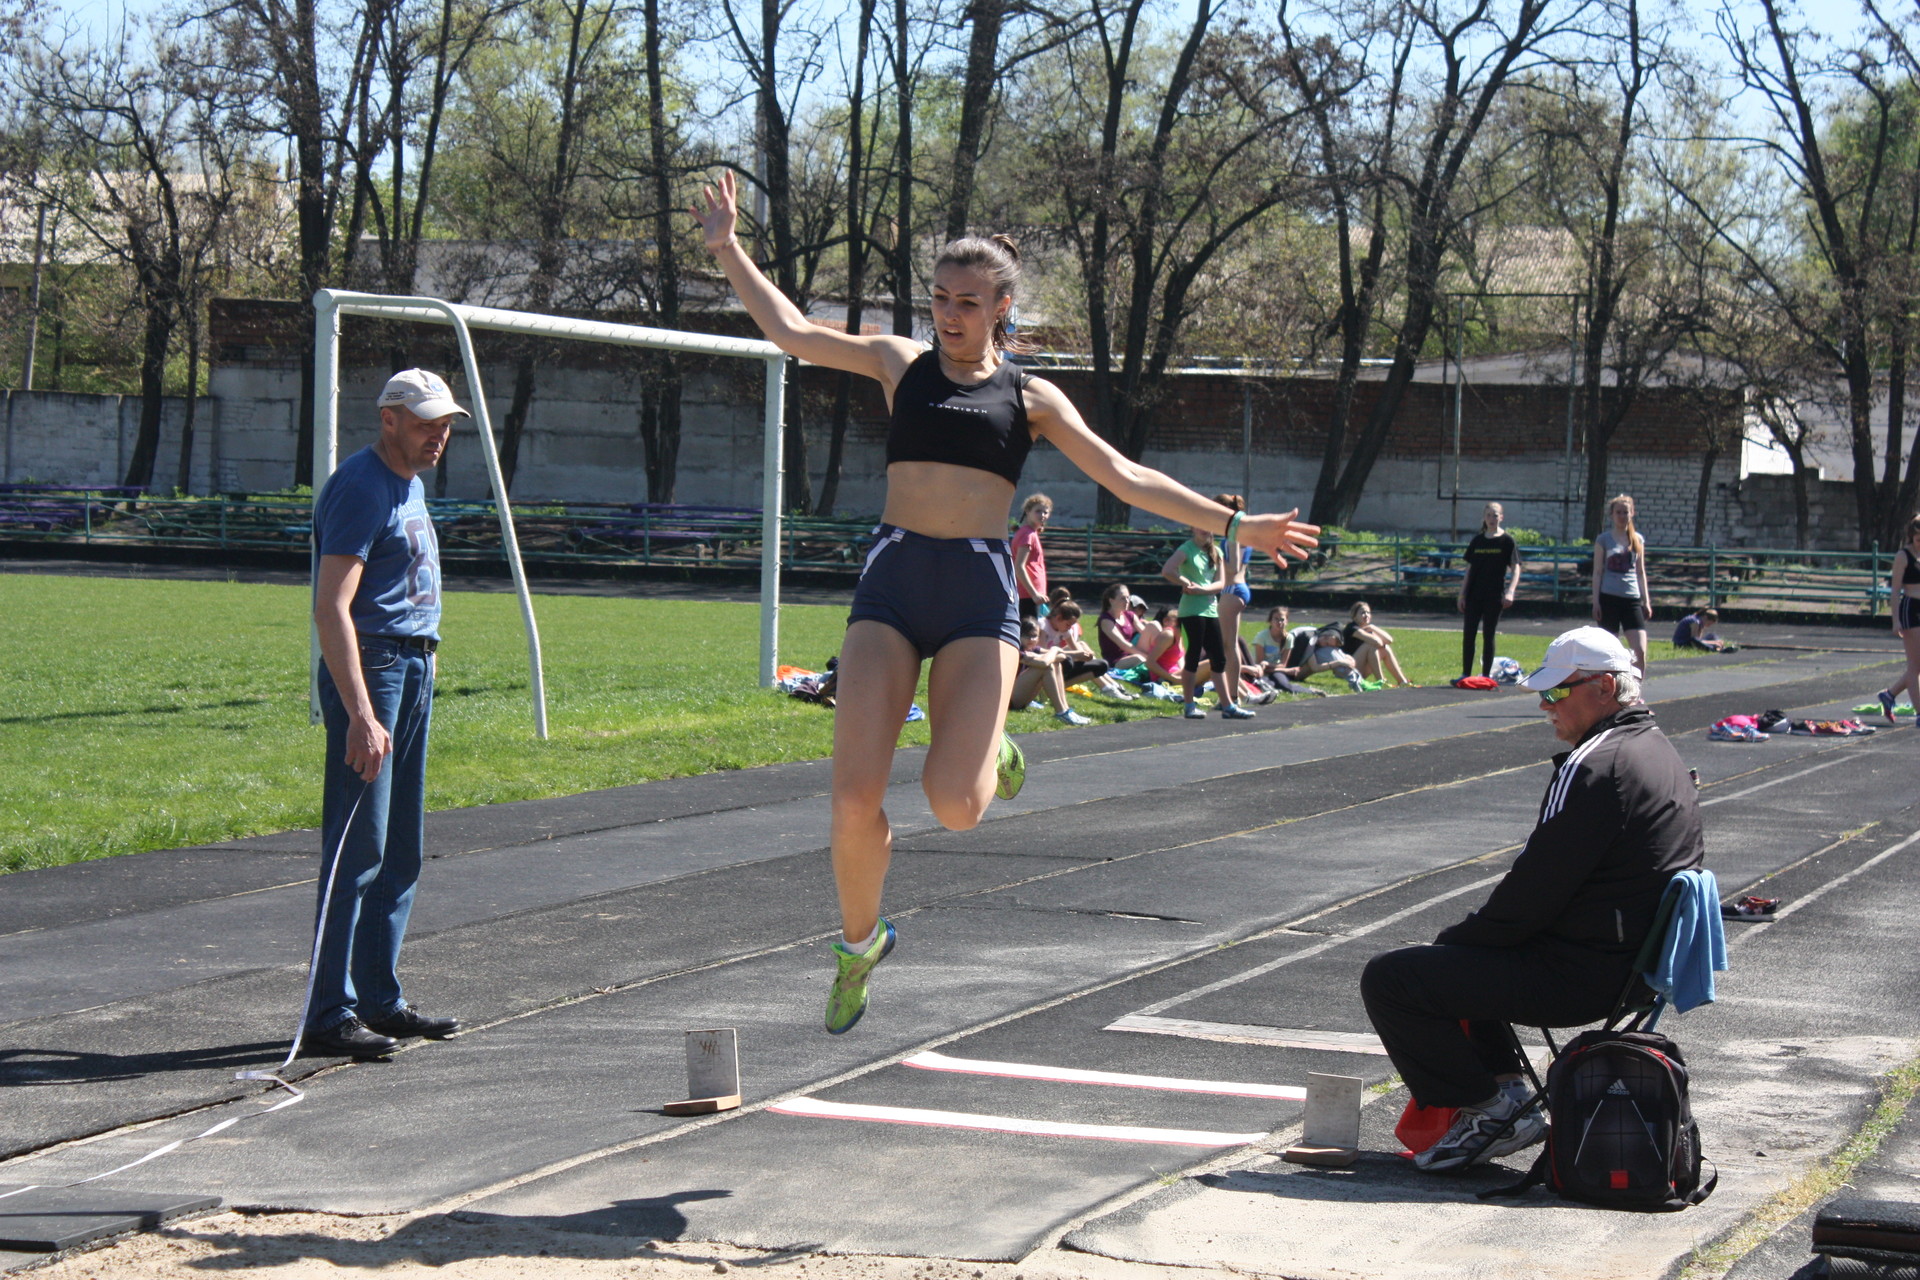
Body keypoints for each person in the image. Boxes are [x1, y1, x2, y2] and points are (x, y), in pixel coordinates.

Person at [692, 169, 1318, 1033]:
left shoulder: (1030, 398)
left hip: (977, 598)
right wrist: (729, 248)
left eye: (968, 303)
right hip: (893, 586)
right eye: (940, 299)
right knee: (851, 798)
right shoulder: (898, 363)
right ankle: (859, 944)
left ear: (1002, 308)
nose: (949, 315)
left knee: (955, 807)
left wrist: (1235, 525)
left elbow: (1125, 475)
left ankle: (992, 745)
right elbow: (793, 332)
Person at [1359, 626, 1704, 1171]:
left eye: (1556, 692)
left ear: (1604, 688)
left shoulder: (1594, 765)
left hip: (1581, 975)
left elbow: (1533, 892)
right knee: (1466, 955)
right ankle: (1504, 1094)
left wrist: (1456, 942)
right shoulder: (1657, 749)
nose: (1545, 706)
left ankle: (1491, 1108)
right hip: (1633, 971)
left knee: (1394, 978)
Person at [306, 369, 469, 1058]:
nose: (440, 434)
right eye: (427, 421)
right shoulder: (362, 486)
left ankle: (379, 997)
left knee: (400, 847)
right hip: (375, 668)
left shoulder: (410, 484)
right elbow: (331, 607)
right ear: (389, 419)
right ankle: (328, 1012)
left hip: (413, 664)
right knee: (358, 847)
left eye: (446, 422)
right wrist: (361, 713)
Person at [1164, 524, 1253, 720]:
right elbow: (1168, 570)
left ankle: (1228, 706)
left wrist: (1203, 590)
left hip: (1211, 610)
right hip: (1191, 611)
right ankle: (1189, 705)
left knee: (1218, 658)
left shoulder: (1216, 551)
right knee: (1193, 656)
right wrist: (1185, 582)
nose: (1203, 529)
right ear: (1192, 528)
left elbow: (1220, 583)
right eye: (1199, 526)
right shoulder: (1187, 549)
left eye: (1206, 525)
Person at [1458, 502, 1521, 679]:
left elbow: (1516, 568)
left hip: (1494, 594)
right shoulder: (1477, 541)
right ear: (1484, 518)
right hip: (1474, 594)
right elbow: (1469, 569)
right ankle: (1465, 674)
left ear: (1501, 517)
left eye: (1495, 515)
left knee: (1488, 634)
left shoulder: (1506, 541)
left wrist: (1511, 591)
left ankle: (1486, 676)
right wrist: (1462, 594)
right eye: (1488, 515)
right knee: (1469, 634)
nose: (1492, 519)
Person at [1592, 493, 1652, 677]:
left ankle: (1636, 688)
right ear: (1612, 515)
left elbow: (1640, 572)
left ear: (1632, 513)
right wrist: (1596, 602)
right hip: (1609, 598)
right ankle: (1609, 686)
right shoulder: (1603, 540)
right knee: (1608, 652)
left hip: (1631, 599)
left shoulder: (1637, 539)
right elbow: (1597, 572)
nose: (1622, 516)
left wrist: (1646, 601)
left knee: (1639, 650)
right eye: (1618, 512)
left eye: (1625, 512)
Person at [1039, 597, 1132, 699]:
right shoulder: (1043, 626)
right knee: (1075, 655)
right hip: (1044, 667)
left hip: (1056, 663)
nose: (1069, 628)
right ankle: (1107, 687)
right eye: (1068, 624)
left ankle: (1111, 685)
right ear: (1058, 618)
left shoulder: (1063, 628)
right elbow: (1043, 655)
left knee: (1088, 652)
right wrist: (1077, 654)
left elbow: (1076, 649)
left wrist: (1086, 655)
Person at [1010, 617, 1089, 725]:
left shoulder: (1033, 649)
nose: (1031, 639)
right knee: (1048, 666)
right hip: (1010, 701)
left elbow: (1060, 656)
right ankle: (1061, 712)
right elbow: (1044, 662)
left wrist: (1078, 654)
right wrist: (1054, 649)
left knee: (1055, 664)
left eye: (1034, 636)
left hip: (1021, 698)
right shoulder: (1016, 650)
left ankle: (1065, 709)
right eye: (1026, 636)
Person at [1216, 493, 1254, 710]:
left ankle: (1230, 697)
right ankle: (1232, 695)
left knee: (1226, 647)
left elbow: (1233, 567)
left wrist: (1216, 557)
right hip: (1236, 589)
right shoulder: (1239, 533)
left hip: (1233, 589)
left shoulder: (1234, 535)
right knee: (1230, 646)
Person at [1344, 601, 1411, 687]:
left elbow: (1389, 640)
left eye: (1368, 612)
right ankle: (1381, 680)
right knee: (1371, 645)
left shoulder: (1368, 629)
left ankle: (1402, 681)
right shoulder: (1352, 628)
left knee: (1385, 648)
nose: (1366, 615)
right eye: (1362, 613)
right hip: (1350, 670)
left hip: (1361, 668)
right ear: (1354, 616)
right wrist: (1375, 635)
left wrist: (1373, 627)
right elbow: (1377, 642)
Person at [1011, 494, 1052, 621]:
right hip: (1027, 595)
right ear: (1028, 511)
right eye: (1038, 511)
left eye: (1045, 512)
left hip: (1032, 595)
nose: (1042, 515)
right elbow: (1019, 566)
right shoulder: (1027, 534)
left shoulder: (1031, 533)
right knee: (1028, 631)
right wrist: (1034, 594)